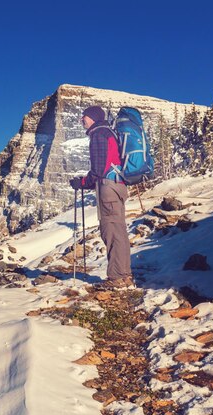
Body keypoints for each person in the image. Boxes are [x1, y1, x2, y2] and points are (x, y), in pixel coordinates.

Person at [69, 106, 133, 289]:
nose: (82, 119)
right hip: (117, 186)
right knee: (118, 231)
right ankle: (124, 274)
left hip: (108, 188)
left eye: (85, 116)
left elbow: (98, 170)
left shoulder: (99, 134)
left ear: (94, 118)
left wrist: (81, 183)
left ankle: (118, 278)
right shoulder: (109, 132)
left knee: (112, 231)